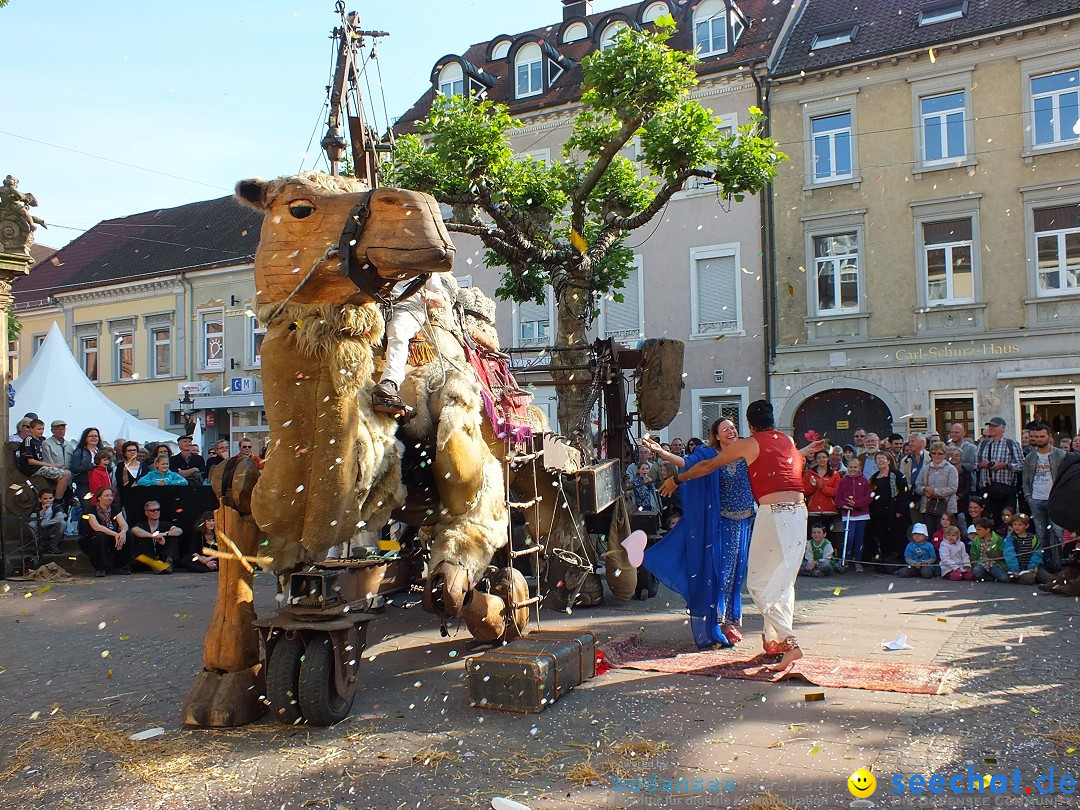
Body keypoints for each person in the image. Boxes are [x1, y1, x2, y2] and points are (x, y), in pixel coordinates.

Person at [660, 400, 822, 670]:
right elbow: (786, 460)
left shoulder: (750, 443)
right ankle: (774, 642)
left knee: (758, 584)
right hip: (799, 513)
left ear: (749, 424)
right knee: (781, 582)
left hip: (774, 514)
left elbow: (706, 467)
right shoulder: (787, 439)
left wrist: (676, 480)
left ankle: (789, 642)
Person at [644, 418, 754, 649]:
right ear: (716, 435)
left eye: (733, 428)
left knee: (736, 572)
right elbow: (686, 463)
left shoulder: (746, 449)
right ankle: (719, 623)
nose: (731, 431)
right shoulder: (707, 454)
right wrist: (660, 452)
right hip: (720, 522)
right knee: (719, 572)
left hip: (743, 521)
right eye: (725, 430)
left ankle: (730, 622)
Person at [371, 273, 451, 407]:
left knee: (398, 330)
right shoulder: (382, 255)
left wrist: (430, 296)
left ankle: (391, 382)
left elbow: (441, 300)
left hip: (408, 309)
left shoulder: (427, 264)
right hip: (377, 308)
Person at [1021, 423, 1066, 572]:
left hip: (1055, 500)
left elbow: (1066, 477)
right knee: (1041, 535)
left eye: (1042, 436)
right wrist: (1028, 497)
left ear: (1049, 437)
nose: (1039, 440)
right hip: (1036, 499)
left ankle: (1062, 565)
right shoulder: (1030, 457)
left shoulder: (1060, 454)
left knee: (1058, 532)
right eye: (1037, 437)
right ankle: (1046, 566)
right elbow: (1025, 479)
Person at [976, 417, 1024, 524]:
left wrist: (1005, 466)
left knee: (1007, 521)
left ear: (1002, 428)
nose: (991, 428)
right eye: (990, 426)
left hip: (1006, 489)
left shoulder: (1011, 444)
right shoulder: (983, 444)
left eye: (994, 426)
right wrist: (981, 465)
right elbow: (974, 464)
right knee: (989, 521)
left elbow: (1022, 465)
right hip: (987, 489)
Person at [868, 450, 909, 565]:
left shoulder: (896, 475)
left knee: (897, 537)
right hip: (879, 514)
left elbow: (904, 492)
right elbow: (870, 494)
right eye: (878, 458)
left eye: (883, 458)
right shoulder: (874, 477)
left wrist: (900, 510)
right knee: (883, 537)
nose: (880, 460)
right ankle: (888, 561)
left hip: (894, 512)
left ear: (888, 460)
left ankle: (901, 561)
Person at [16, 418, 72, 501]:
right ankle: (57, 500)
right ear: (31, 429)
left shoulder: (42, 440)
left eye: (42, 429)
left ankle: (65, 499)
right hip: (32, 469)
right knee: (66, 474)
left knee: (67, 474)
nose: (41, 431)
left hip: (41, 466)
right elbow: (30, 461)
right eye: (38, 429)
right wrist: (52, 465)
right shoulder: (28, 441)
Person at [78, 486, 130, 577]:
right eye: (106, 495)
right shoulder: (91, 509)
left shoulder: (114, 508)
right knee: (99, 536)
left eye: (111, 495)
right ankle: (100, 568)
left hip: (110, 537)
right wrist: (116, 534)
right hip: (91, 538)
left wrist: (123, 532)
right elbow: (96, 527)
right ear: (99, 497)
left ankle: (121, 566)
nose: (109, 498)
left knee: (128, 535)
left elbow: (123, 524)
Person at [834, 457, 872, 571]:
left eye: (855, 467)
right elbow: (838, 498)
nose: (853, 469)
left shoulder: (865, 481)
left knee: (859, 538)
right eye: (851, 467)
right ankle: (846, 559)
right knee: (849, 537)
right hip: (848, 514)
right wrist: (843, 505)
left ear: (859, 468)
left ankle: (858, 562)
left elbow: (869, 496)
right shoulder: (843, 481)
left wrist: (857, 504)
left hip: (862, 514)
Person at [915, 441, 958, 538]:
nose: (937, 456)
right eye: (934, 453)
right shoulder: (925, 469)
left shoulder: (951, 469)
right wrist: (925, 489)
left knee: (945, 535)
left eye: (940, 453)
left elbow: (953, 488)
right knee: (930, 534)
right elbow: (917, 486)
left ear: (945, 454)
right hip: (928, 507)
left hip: (946, 508)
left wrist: (934, 491)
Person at [128, 500, 182, 574]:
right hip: (148, 558)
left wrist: (163, 534)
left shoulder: (165, 524)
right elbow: (134, 530)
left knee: (172, 536)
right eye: (152, 510)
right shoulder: (142, 525)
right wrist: (153, 536)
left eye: (158, 510)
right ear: (146, 513)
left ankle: (167, 563)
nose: (156, 512)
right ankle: (155, 565)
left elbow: (179, 531)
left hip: (161, 556)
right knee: (141, 537)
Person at [1003, 513, 1054, 585]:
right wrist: (1015, 570)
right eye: (1015, 524)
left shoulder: (1033, 538)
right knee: (1029, 579)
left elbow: (1037, 553)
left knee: (1050, 579)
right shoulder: (1010, 538)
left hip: (1032, 568)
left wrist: (1032, 567)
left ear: (1026, 526)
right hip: (1018, 569)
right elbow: (1009, 555)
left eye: (1020, 525)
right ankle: (1019, 577)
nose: (1017, 527)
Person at [803, 450, 839, 541]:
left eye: (824, 457)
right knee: (812, 536)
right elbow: (804, 492)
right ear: (816, 460)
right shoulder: (809, 474)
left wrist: (822, 488)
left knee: (828, 535)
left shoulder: (835, 474)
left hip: (829, 510)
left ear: (828, 458)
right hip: (813, 510)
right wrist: (812, 486)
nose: (821, 460)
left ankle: (828, 554)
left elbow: (836, 492)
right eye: (819, 458)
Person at [69, 427, 104, 500]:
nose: (94, 438)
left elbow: (109, 467)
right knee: (87, 506)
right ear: (85, 438)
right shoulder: (79, 451)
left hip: (100, 482)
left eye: (96, 436)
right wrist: (90, 467)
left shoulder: (102, 451)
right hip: (84, 483)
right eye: (91, 436)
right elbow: (74, 468)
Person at [970, 518, 1008, 582]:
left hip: (995, 564)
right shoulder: (976, 541)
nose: (976, 532)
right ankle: (988, 577)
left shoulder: (998, 540)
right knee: (976, 571)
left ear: (987, 530)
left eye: (979, 530)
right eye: (976, 529)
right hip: (982, 563)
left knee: (1004, 578)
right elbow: (973, 554)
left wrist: (989, 552)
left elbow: (1001, 553)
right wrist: (974, 565)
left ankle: (993, 575)